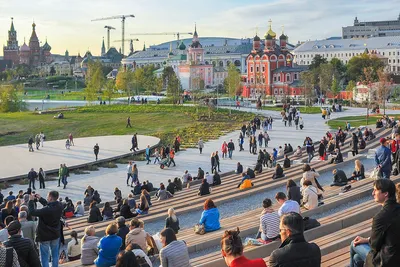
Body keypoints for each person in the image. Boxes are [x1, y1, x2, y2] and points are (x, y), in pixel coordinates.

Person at [349, 179, 400, 267]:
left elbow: (374, 246)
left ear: (385, 194)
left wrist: (369, 240)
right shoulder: (397, 208)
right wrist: (367, 239)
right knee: (357, 258)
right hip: (396, 255)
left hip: (388, 261)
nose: (373, 193)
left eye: (375, 190)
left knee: (353, 244)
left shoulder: (380, 217)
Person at [28, 191, 63, 267]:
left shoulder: (46, 210)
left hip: (45, 236)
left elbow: (32, 212)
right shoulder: (60, 205)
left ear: (50, 197)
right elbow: (50, 204)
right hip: (55, 234)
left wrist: (30, 201)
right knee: (55, 255)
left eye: (47, 196)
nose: (47, 198)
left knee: (44, 257)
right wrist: (40, 199)